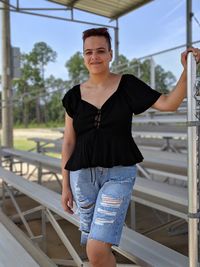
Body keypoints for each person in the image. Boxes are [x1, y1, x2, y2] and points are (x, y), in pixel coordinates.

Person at [61, 27, 200, 267]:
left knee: (96, 248)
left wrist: (187, 71)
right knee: (96, 248)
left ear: (111, 54)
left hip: (119, 175)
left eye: (101, 51)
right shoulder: (73, 96)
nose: (95, 57)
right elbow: (69, 142)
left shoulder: (128, 85)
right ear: (83, 56)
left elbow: (169, 103)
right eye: (89, 52)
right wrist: (65, 185)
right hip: (82, 177)